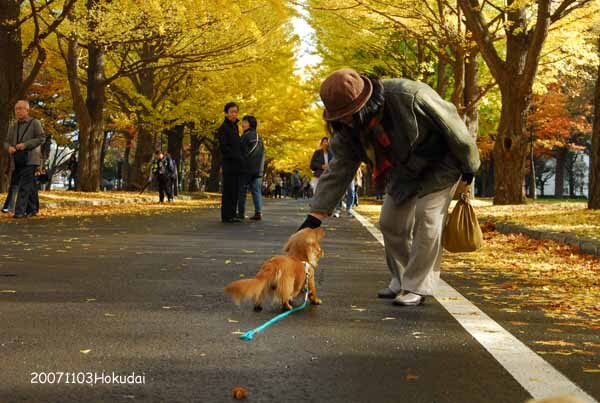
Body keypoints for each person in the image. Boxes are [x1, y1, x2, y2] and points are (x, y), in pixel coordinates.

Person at [298, 68, 480, 306]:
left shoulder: (409, 96)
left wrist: (469, 164)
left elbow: (454, 126)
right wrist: (315, 217)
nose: (345, 120)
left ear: (366, 102)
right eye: (339, 117)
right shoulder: (347, 131)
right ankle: (402, 276)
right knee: (390, 223)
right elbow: (339, 168)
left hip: (441, 163)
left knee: (427, 217)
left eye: (349, 114)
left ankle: (416, 286)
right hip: (403, 171)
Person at [2, 100, 45, 219]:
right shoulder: (13, 126)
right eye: (17, 109)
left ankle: (19, 212)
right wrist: (9, 147)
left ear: (27, 110)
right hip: (17, 159)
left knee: (24, 185)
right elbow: (6, 142)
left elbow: (41, 138)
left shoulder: (35, 123)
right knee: (30, 184)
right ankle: (33, 209)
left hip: (31, 158)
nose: (19, 111)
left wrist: (26, 145)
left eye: (21, 108)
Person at [218, 102, 244, 223]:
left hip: (237, 164)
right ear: (226, 113)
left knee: (235, 189)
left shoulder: (235, 127)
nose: (234, 114)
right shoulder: (223, 128)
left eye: (235, 112)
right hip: (229, 163)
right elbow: (224, 147)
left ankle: (232, 214)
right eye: (231, 112)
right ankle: (226, 215)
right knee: (228, 189)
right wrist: (235, 156)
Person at [237, 115, 264, 221]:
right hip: (257, 169)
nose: (242, 124)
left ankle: (241, 213)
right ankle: (258, 212)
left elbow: (241, 151)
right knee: (256, 190)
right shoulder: (258, 136)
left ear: (250, 123)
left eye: (244, 122)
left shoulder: (246, 136)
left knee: (242, 191)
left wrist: (241, 162)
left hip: (246, 168)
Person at [310, 137, 341, 217]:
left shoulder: (332, 154)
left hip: (330, 175)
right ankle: (317, 210)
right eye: (324, 142)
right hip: (319, 175)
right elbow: (312, 165)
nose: (326, 143)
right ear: (321, 143)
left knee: (329, 192)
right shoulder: (317, 153)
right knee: (317, 192)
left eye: (327, 142)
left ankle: (328, 210)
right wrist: (321, 166)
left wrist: (330, 166)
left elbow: (337, 163)